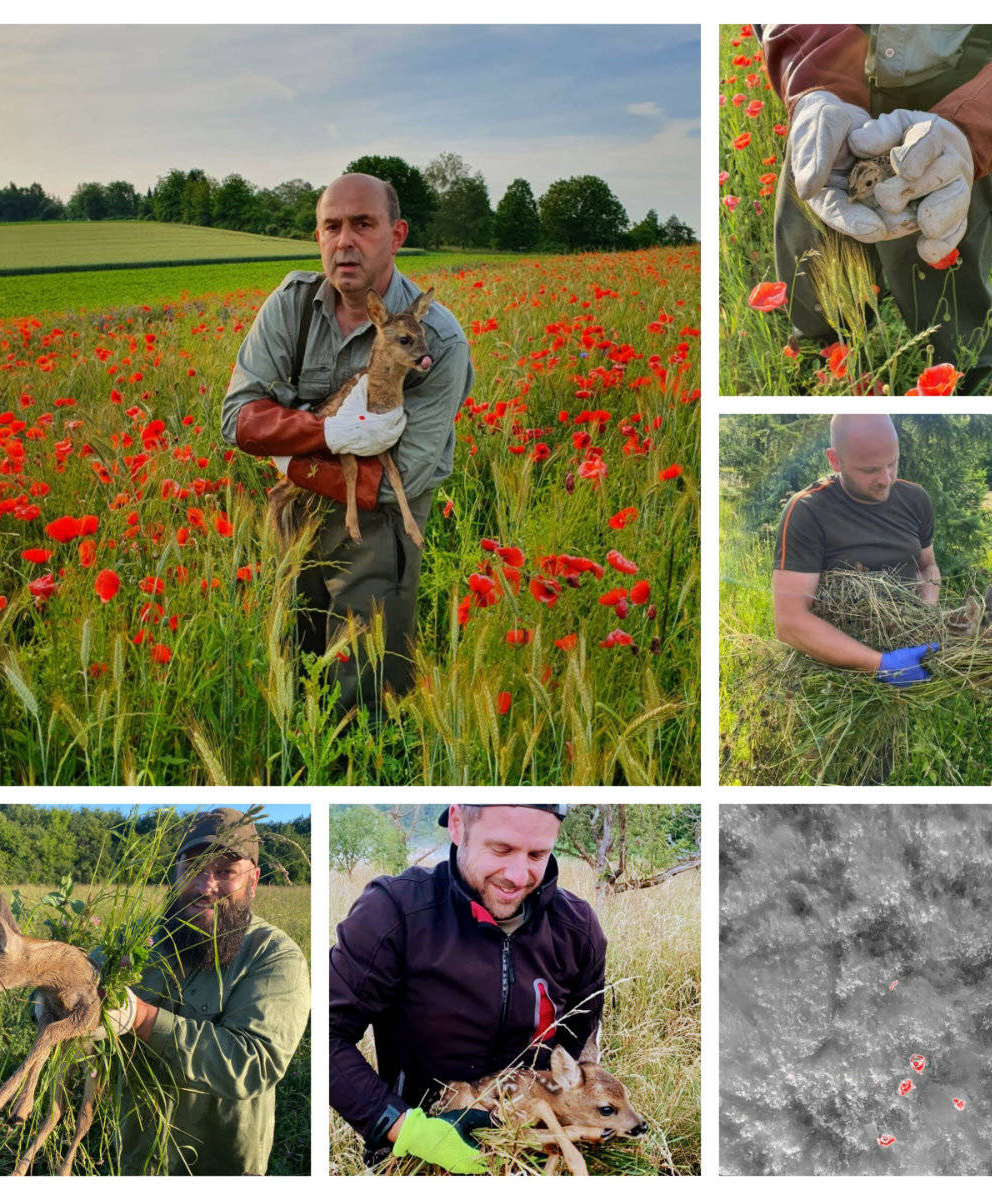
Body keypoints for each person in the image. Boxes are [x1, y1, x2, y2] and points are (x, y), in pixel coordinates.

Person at [221, 172, 474, 713]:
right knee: (291, 677)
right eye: (331, 226)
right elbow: (237, 421)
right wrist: (329, 433)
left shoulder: (440, 341)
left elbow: (395, 482)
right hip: (292, 524)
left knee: (363, 700)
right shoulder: (291, 306)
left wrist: (287, 452)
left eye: (363, 224)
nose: (345, 242)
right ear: (318, 237)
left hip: (378, 540)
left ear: (397, 233)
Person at [758, 24, 992, 393]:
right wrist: (817, 87)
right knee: (815, 253)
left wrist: (970, 129)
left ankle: (963, 378)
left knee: (943, 269)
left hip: (969, 98)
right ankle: (822, 366)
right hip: (834, 103)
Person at [329, 804, 606, 1174]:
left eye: (538, 854)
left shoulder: (577, 927)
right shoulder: (393, 912)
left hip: (532, 1144)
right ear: (458, 825)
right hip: (416, 1146)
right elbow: (326, 1037)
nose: (517, 875)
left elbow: (575, 1044)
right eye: (501, 849)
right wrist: (407, 1129)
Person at [116, 808, 311, 1175]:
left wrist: (139, 1017)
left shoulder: (275, 956)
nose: (206, 887)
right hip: (138, 1156)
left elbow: (253, 1063)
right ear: (175, 873)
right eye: (193, 869)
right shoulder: (137, 940)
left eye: (224, 871)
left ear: (253, 880)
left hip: (220, 1163)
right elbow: (75, 982)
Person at [772, 414, 940, 688]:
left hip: (910, 660)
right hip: (836, 681)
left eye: (892, 464)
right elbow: (790, 621)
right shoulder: (807, 510)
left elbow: (927, 566)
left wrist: (924, 619)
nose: (886, 479)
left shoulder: (914, 498)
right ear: (835, 460)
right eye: (869, 470)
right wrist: (881, 665)